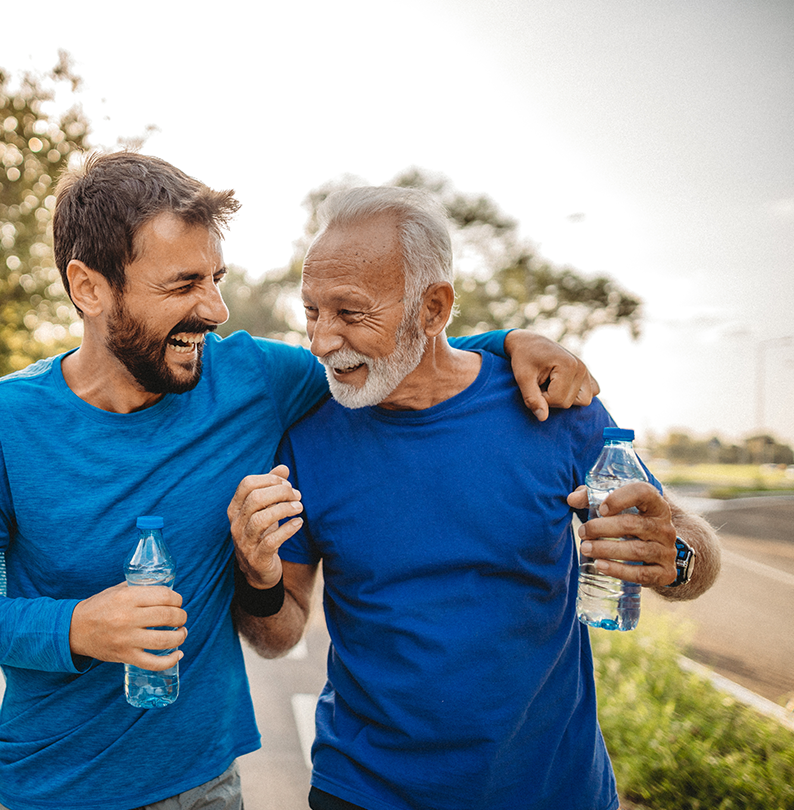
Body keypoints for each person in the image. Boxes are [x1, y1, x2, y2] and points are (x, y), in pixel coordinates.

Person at [0, 152, 602, 810]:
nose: (214, 310)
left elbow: (397, 357)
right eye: (183, 285)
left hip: (203, 783)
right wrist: (77, 626)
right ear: (89, 287)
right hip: (47, 787)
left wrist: (508, 343)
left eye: (216, 279)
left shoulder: (254, 382)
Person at [228, 185, 720, 810]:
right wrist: (259, 575)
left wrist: (675, 555)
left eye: (350, 314)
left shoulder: (552, 405)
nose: (323, 340)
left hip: (554, 791)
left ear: (433, 310)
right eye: (312, 312)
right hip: (365, 791)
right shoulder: (308, 439)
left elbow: (692, 555)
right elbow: (278, 633)